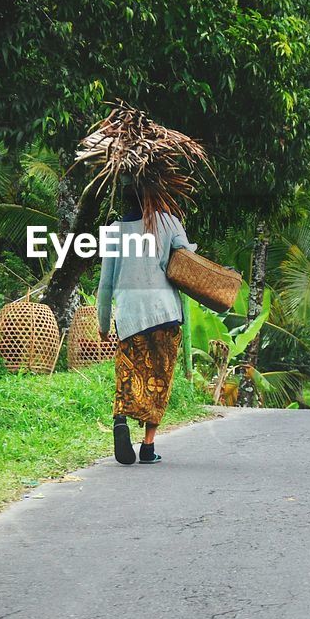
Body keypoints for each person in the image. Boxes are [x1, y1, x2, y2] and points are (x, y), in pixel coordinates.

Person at [96, 183, 196, 465]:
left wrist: (103, 324)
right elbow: (188, 259)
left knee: (128, 375)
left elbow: (106, 283)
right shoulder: (169, 222)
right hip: (164, 314)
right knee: (158, 381)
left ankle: (120, 418)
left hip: (130, 317)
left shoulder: (115, 229)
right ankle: (148, 447)